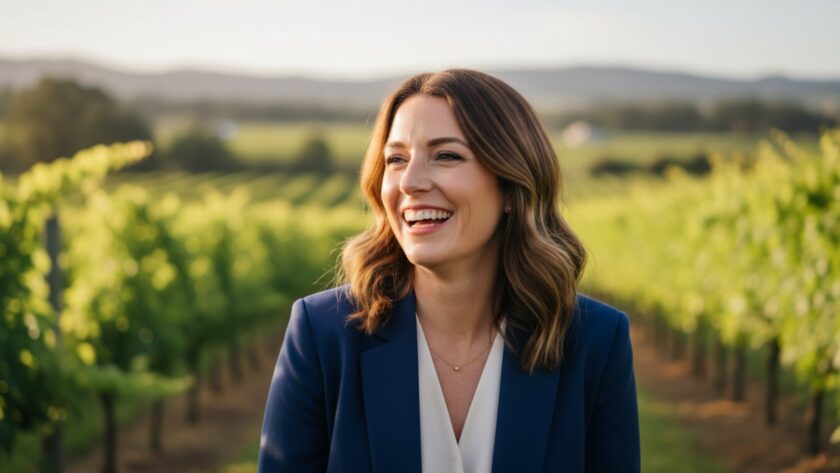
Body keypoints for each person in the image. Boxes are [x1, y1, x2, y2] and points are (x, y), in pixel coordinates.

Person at [258, 69, 640, 473]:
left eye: (446, 156)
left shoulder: (597, 341)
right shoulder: (322, 333)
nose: (410, 182)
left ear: (512, 186)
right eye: (396, 159)